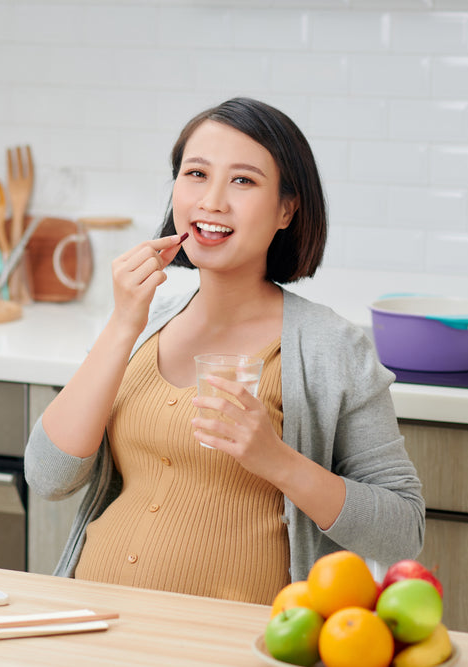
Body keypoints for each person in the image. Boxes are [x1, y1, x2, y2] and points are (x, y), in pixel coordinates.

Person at [24, 97, 424, 605]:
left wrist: (276, 459)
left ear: (286, 209)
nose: (211, 201)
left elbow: (402, 530)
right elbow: (49, 478)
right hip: (94, 617)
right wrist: (124, 323)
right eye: (195, 174)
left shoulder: (331, 348)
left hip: (235, 641)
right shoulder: (146, 311)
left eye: (243, 181)